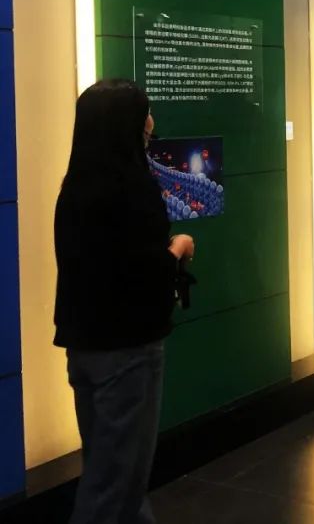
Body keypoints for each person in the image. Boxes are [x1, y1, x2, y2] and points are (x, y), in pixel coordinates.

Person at [54, 79, 195, 524]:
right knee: (115, 486)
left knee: (112, 471)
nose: (150, 122)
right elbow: (143, 272)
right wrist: (177, 249)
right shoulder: (133, 189)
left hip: (84, 347)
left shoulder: (73, 188)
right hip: (128, 350)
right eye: (145, 112)